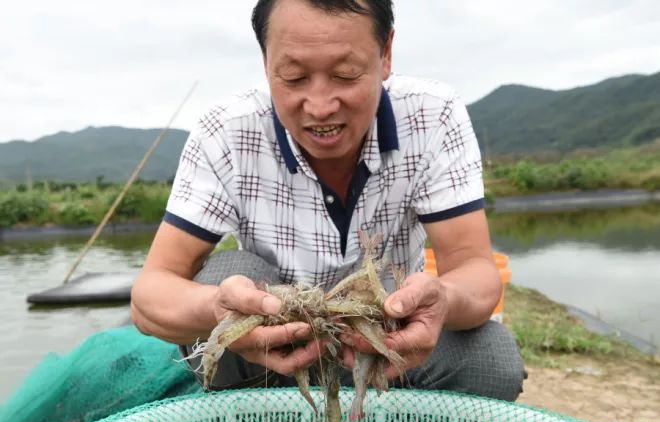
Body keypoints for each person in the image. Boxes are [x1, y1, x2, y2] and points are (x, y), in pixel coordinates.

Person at [131, 0, 525, 400]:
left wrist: (444, 298)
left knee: (491, 359)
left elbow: (474, 269)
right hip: (268, 351)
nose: (320, 107)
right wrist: (216, 306)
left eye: (345, 74)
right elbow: (150, 297)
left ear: (386, 54)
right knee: (228, 272)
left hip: (383, 340)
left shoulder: (433, 115)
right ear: (266, 62)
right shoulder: (225, 133)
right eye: (293, 77)